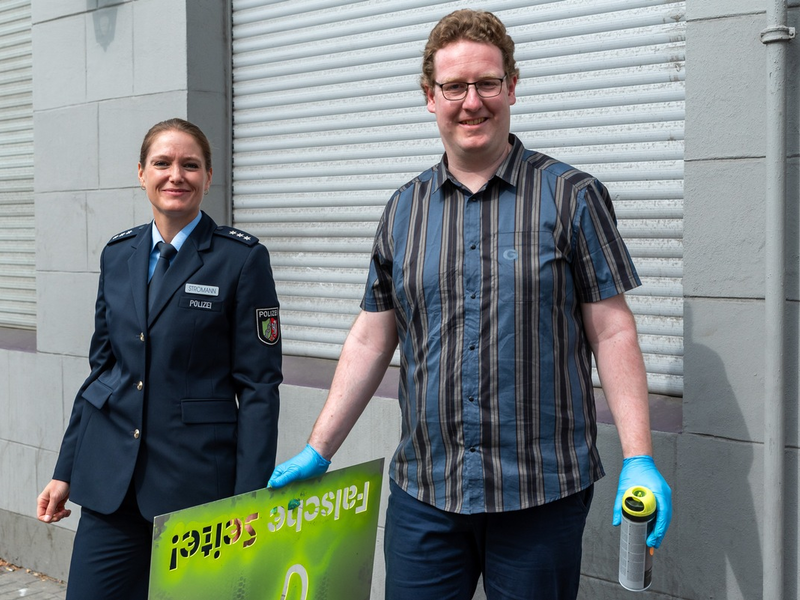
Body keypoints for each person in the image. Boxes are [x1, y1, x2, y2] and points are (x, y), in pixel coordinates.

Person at [269, 9, 671, 600]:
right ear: (430, 98)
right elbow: (371, 337)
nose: (471, 101)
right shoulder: (403, 210)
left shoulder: (573, 196)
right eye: (454, 87)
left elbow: (612, 332)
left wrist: (639, 455)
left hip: (542, 493)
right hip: (426, 494)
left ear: (512, 86)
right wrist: (317, 447)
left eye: (486, 83)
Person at [36, 118, 282, 600]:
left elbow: (258, 389)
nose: (176, 175)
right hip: (111, 487)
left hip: (196, 492)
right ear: (142, 173)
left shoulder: (241, 260)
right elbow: (102, 372)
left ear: (208, 177)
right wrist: (65, 469)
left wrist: (250, 499)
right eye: (162, 163)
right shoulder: (118, 254)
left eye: (190, 165)